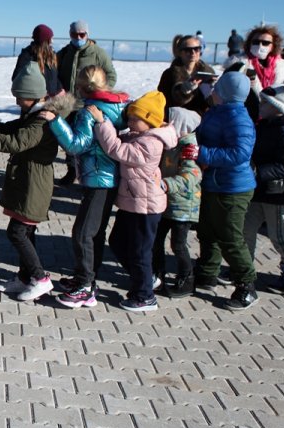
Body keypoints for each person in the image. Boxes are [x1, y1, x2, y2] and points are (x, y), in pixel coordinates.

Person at [0, 62, 70, 301]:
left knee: (17, 232)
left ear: (30, 96)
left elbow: (14, 142)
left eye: (20, 96)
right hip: (28, 181)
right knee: (26, 232)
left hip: (34, 185)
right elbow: (8, 128)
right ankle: (24, 277)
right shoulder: (31, 114)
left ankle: (40, 279)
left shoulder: (39, 121)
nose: (17, 101)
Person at [41, 65, 129, 308]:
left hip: (99, 178)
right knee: (95, 232)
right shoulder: (117, 105)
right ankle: (88, 278)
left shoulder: (89, 111)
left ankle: (85, 287)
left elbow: (76, 145)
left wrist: (55, 120)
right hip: (110, 177)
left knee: (82, 233)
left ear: (81, 87)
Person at [89, 91, 178, 312]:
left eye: (134, 118)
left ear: (149, 120)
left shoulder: (150, 144)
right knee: (118, 242)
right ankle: (147, 280)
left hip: (145, 207)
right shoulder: (140, 135)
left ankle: (145, 296)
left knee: (140, 251)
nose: (129, 122)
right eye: (128, 117)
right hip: (133, 203)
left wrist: (102, 123)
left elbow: (117, 149)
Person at [191, 72, 258, 310]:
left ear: (226, 92)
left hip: (233, 187)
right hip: (214, 182)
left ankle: (247, 285)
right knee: (207, 230)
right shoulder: (217, 112)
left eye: (217, 87)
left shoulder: (239, 118)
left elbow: (240, 153)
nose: (213, 90)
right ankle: (208, 272)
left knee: (230, 236)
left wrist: (203, 154)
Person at [244, 84, 284, 294]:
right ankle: (244, 269)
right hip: (259, 190)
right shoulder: (265, 125)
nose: (261, 105)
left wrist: (258, 172)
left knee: (279, 235)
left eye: (266, 102)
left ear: (280, 108)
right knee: (245, 229)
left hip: (278, 194)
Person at [55, 20, 117, 184]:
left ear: (87, 35)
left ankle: (86, 174)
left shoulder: (98, 53)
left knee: (87, 143)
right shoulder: (64, 53)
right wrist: (59, 88)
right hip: (68, 105)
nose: (78, 37)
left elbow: (111, 75)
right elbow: (55, 74)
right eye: (75, 34)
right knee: (69, 141)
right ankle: (71, 171)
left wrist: (99, 92)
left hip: (88, 106)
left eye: (82, 34)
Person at [152, 108, 203, 298]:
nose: (163, 124)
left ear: (179, 126)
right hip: (168, 201)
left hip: (184, 205)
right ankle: (156, 274)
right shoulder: (172, 144)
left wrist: (165, 184)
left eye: (167, 121)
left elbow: (190, 177)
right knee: (156, 238)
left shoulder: (189, 149)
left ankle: (187, 279)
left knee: (178, 244)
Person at [156, 34, 215, 115]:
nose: (193, 52)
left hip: (204, 120)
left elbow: (214, 103)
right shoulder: (169, 74)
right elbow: (163, 102)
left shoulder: (209, 72)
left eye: (197, 49)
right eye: (188, 50)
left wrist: (215, 90)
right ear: (180, 52)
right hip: (178, 120)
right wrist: (182, 92)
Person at [12, 24, 62, 97]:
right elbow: (17, 78)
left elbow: (55, 77)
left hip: (52, 100)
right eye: (51, 38)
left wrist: (60, 89)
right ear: (45, 40)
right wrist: (35, 94)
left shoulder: (52, 55)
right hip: (35, 101)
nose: (52, 41)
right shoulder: (27, 56)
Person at [242, 24, 284, 93]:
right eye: (256, 42)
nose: (260, 45)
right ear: (249, 43)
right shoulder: (240, 64)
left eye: (265, 43)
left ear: (273, 46)